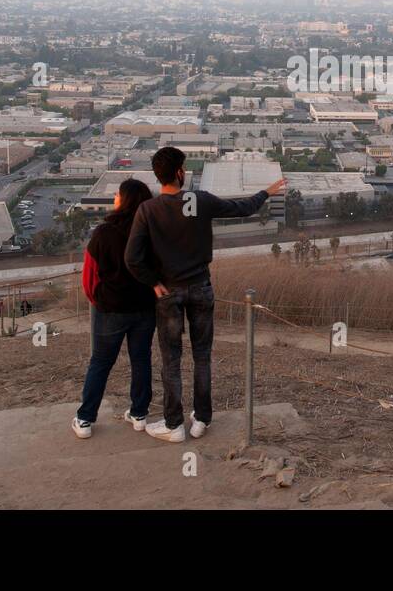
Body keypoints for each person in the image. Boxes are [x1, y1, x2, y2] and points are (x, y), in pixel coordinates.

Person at [125, 146, 286, 442]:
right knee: (202, 356)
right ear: (179, 172)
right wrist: (267, 191)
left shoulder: (147, 210)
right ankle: (201, 419)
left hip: (168, 293)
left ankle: (174, 425)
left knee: (171, 360)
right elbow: (243, 207)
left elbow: (132, 258)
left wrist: (153, 283)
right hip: (201, 286)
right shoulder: (198, 200)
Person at [72, 178, 155, 439]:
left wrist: (97, 299)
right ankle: (139, 414)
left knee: (100, 362)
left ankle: (85, 419)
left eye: (118, 195)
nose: (115, 199)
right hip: (144, 308)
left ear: (126, 199)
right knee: (141, 360)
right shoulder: (152, 233)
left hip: (110, 308)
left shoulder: (104, 232)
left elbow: (89, 276)